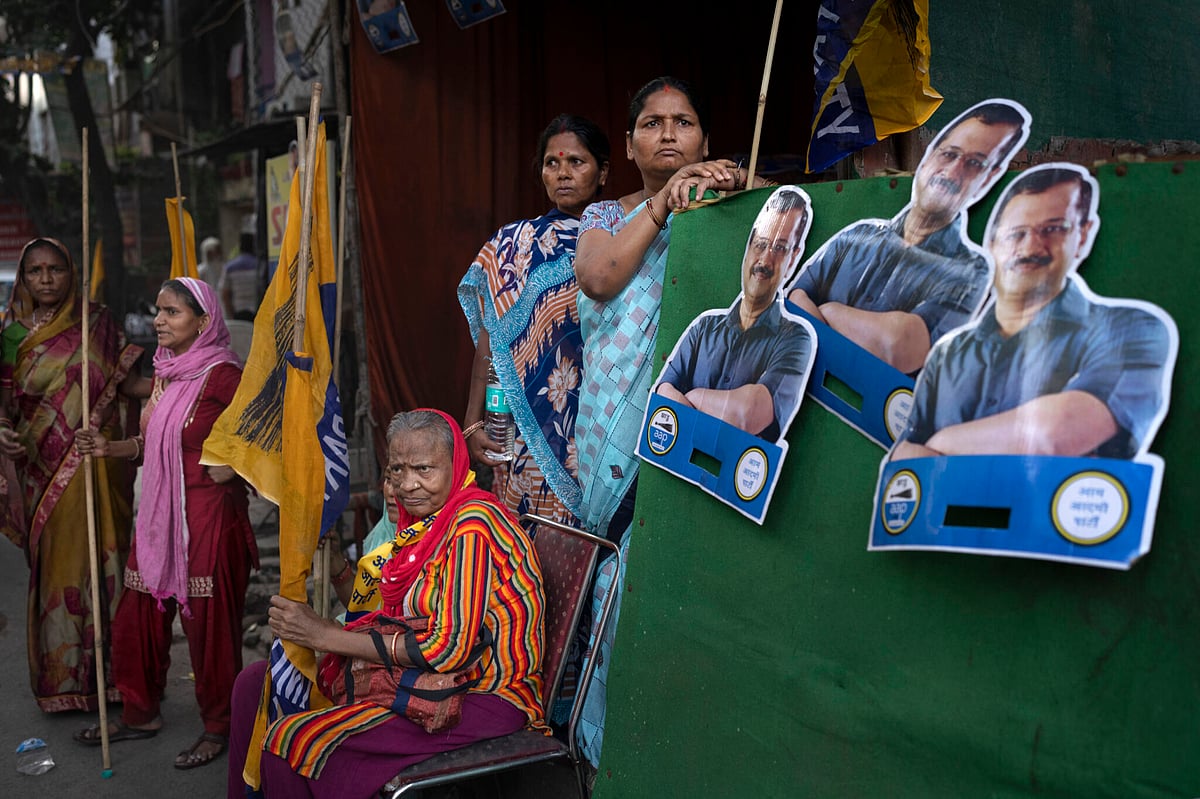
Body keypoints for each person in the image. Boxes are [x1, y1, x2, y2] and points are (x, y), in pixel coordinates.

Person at [571, 75, 773, 769]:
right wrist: (664, 201)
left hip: (698, 429)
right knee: (617, 597)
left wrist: (738, 185)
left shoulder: (729, 212)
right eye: (652, 123)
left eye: (682, 122)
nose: (667, 133)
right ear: (627, 146)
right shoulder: (601, 221)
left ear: (705, 141)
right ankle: (606, 756)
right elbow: (600, 279)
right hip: (616, 448)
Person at [226, 409, 546, 799]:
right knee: (256, 683)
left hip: (482, 697)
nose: (408, 485)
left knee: (290, 742)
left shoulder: (472, 525)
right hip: (428, 682)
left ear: (456, 463)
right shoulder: (424, 525)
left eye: (424, 469)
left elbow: (448, 650)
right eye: (397, 470)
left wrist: (327, 636)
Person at [73, 277, 258, 770]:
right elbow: (150, 445)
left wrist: (235, 464)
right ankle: (139, 712)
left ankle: (220, 725)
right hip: (159, 515)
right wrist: (108, 448)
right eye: (158, 310)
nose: (159, 320)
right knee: (137, 614)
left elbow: (267, 433)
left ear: (203, 321)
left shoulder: (224, 376)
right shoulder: (165, 373)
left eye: (172, 312)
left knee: (209, 627)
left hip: (210, 517)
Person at [891, 164, 1174, 461]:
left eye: (1053, 229)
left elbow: (1052, 435)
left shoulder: (1130, 330)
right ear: (992, 243)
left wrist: (941, 443)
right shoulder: (948, 354)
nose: (1030, 247)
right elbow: (905, 457)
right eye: (1016, 234)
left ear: (1083, 234)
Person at [0, 237, 143, 713]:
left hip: (95, 467)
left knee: (104, 559)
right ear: (24, 278)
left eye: (55, 269)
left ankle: (115, 678)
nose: (46, 279)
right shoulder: (10, 334)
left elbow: (127, 386)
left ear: (71, 272)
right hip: (41, 472)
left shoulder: (96, 324)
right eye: (36, 271)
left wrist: (188, 376)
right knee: (60, 569)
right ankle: (65, 677)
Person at [787, 99, 1031, 374]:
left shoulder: (970, 271)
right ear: (929, 156)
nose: (952, 172)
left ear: (989, 178)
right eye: (949, 154)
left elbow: (899, 347)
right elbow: (793, 301)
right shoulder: (858, 235)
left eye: (974, 163)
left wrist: (829, 311)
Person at [458, 113, 611, 526]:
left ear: (603, 172)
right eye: (552, 163)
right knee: (532, 547)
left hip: (604, 415)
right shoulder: (514, 246)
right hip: (527, 426)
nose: (563, 173)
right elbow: (494, 343)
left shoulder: (625, 236)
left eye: (577, 162)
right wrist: (473, 421)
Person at [656, 186, 814, 441]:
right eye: (761, 244)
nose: (765, 260)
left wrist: (695, 397)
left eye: (780, 248)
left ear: (794, 258)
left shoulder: (796, 339)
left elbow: (747, 413)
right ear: (748, 246)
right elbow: (663, 393)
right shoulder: (703, 328)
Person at [220, 231, 262, 321]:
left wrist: (231, 314)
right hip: (257, 310)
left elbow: (225, 294)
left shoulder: (230, 267)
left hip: (238, 311)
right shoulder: (259, 265)